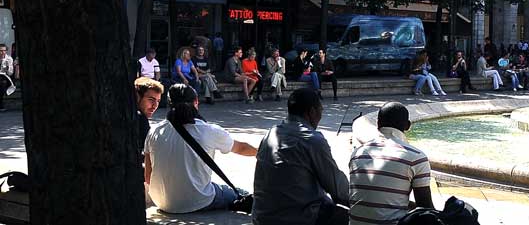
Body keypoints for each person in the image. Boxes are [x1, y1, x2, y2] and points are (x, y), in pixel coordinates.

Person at [144, 84, 258, 213]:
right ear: (196, 102)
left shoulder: (154, 131)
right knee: (240, 193)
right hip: (198, 200)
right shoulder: (208, 130)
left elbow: (148, 177)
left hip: (162, 201)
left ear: (169, 104)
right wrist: (262, 152)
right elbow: (241, 148)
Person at [253, 88, 350, 225]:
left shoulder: (270, 134)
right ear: (311, 112)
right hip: (299, 219)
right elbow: (338, 190)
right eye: (320, 111)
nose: (321, 115)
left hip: (262, 218)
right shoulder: (312, 140)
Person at [349, 102, 433, 224]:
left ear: (378, 123)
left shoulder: (357, 153)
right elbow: (425, 209)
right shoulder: (416, 158)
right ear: (408, 126)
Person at [134, 76, 164, 156]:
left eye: (158, 101)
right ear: (137, 97)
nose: (155, 106)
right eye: (151, 100)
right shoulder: (140, 119)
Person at [0, 44, 17, 112]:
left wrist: (8, 67)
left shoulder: (9, 59)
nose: (3, 52)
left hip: (5, 77)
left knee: (2, 83)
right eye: (1, 50)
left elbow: (10, 73)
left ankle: (1, 104)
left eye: (4, 50)